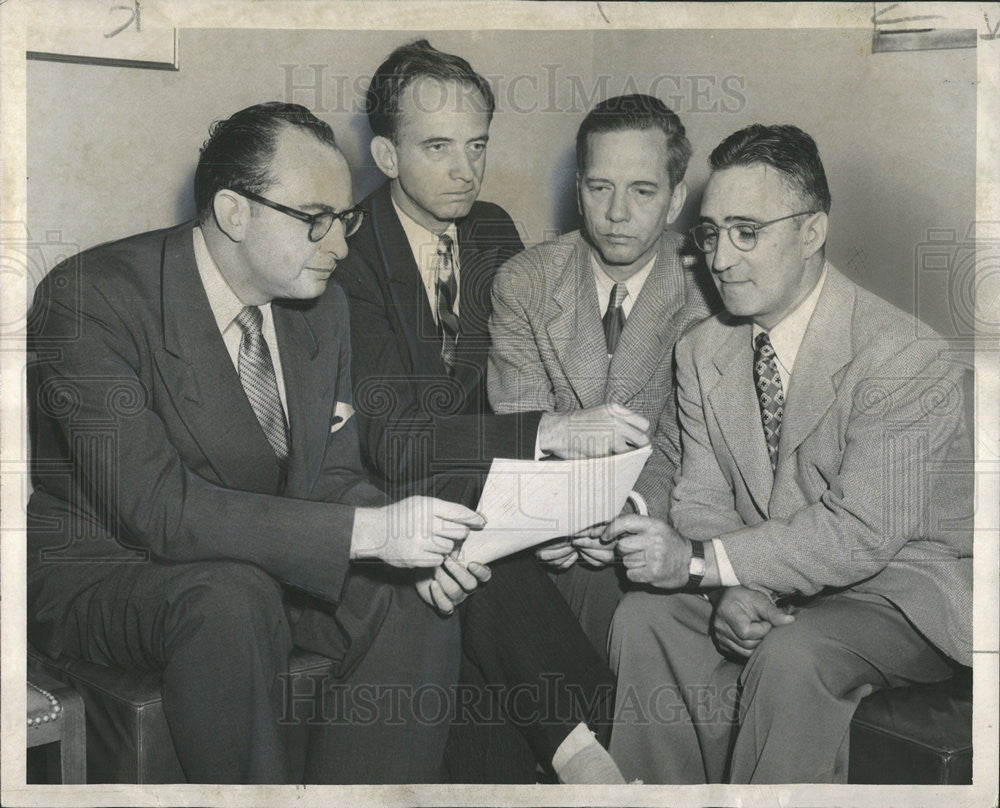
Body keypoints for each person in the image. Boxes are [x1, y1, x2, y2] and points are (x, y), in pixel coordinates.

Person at [26, 102, 485, 784]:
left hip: (256, 562)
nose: (340, 246)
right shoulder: (91, 299)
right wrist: (368, 531)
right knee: (231, 598)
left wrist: (413, 542)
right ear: (234, 213)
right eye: (315, 221)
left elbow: (330, 476)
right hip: (108, 568)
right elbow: (157, 508)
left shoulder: (322, 308)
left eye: (345, 219)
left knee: (413, 600)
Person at [604, 124, 973, 783]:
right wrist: (729, 586)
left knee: (792, 652)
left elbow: (860, 534)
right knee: (643, 618)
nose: (719, 258)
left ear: (811, 232)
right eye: (711, 233)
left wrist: (700, 564)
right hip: (770, 571)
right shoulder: (701, 348)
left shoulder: (904, 356)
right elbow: (703, 494)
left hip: (896, 588)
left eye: (747, 231)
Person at [335, 40, 640, 783]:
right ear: (384, 153)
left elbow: (519, 374)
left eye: (477, 145)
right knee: (466, 537)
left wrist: (570, 490)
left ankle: (571, 765)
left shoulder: (493, 231)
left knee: (488, 555)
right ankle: (587, 757)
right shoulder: (348, 253)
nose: (465, 169)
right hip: (387, 489)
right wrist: (552, 435)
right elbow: (396, 441)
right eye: (437, 147)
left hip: (482, 477)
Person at [488, 94, 714, 655]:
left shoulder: (708, 293)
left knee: (609, 598)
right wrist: (549, 517)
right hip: (544, 521)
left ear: (675, 199)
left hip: (651, 518)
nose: (617, 213)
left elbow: (684, 443)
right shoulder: (525, 282)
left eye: (643, 190)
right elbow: (520, 422)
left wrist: (628, 512)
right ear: (579, 190)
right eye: (599, 187)